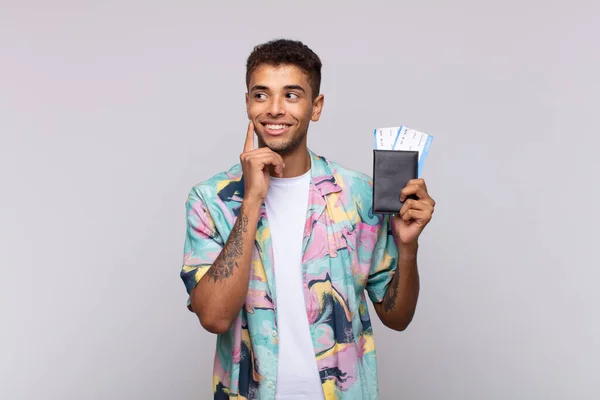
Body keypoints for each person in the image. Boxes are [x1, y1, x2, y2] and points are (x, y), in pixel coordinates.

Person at [180, 38, 436, 400]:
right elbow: (215, 318)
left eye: (291, 95)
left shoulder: (358, 195)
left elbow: (397, 318)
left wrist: (407, 248)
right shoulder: (211, 200)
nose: (274, 109)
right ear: (248, 103)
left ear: (316, 107)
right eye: (261, 94)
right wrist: (251, 200)